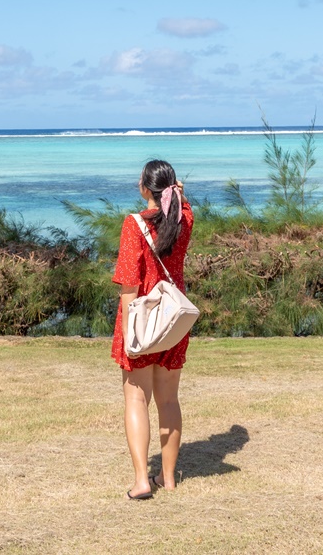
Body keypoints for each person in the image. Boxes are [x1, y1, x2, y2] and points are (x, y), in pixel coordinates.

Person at [111, 158, 195, 500]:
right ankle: (169, 477)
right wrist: (179, 194)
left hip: (143, 321)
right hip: (173, 321)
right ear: (173, 189)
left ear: (145, 188)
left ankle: (142, 480)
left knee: (136, 398)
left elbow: (129, 286)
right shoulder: (184, 220)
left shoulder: (134, 225)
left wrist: (129, 332)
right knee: (169, 399)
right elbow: (183, 205)